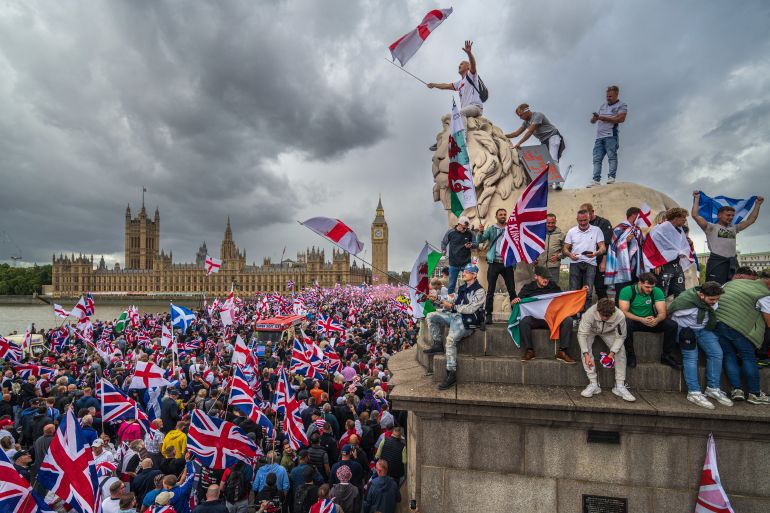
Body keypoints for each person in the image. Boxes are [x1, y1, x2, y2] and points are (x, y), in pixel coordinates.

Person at [669, 282, 732, 409]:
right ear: (702, 295)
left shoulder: (711, 301)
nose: (715, 302)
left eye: (717, 299)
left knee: (717, 353)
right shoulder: (685, 303)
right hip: (686, 330)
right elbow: (670, 314)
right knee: (691, 357)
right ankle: (694, 392)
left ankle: (713, 388)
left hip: (703, 330)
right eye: (712, 299)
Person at [425, 263, 486, 390]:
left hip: (466, 321)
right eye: (464, 271)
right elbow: (451, 297)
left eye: (467, 272)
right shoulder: (462, 288)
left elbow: (471, 308)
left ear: (474, 275)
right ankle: (437, 344)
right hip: (455, 316)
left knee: (450, 340)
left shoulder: (480, 291)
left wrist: (452, 307)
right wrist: (437, 298)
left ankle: (451, 373)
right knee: (431, 316)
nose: (463, 273)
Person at [714, 270, 770, 404]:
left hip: (719, 323)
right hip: (739, 328)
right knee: (748, 357)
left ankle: (736, 390)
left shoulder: (730, 284)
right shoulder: (764, 294)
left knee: (729, 356)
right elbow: (769, 322)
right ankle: (755, 394)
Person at [691, 191, 764, 284]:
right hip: (717, 262)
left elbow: (751, 220)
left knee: (735, 286)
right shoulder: (711, 227)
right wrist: (697, 198)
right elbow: (695, 215)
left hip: (733, 262)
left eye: (732, 215)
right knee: (714, 288)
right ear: (719, 215)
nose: (731, 217)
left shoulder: (734, 228)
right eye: (728, 215)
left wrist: (757, 204)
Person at [427, 39, 483, 150]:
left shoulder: (471, 76)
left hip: (475, 107)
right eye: (459, 64)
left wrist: (468, 53)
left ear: (468, 67)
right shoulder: (459, 83)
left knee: (459, 113)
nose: (459, 65)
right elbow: (446, 85)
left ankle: (463, 140)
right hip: (467, 109)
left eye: (462, 64)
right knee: (452, 117)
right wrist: (434, 84)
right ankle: (443, 140)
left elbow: (473, 64)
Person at [618, 273, 680, 369]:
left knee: (672, 325)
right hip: (635, 320)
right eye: (647, 287)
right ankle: (630, 355)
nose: (650, 290)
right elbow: (623, 312)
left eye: (652, 287)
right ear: (640, 283)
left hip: (651, 320)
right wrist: (641, 319)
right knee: (625, 322)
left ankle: (666, 356)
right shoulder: (627, 291)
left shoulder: (656, 291)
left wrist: (657, 320)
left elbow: (662, 313)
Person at [515, 266, 576, 364]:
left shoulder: (553, 286)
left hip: (551, 319)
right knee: (524, 322)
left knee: (568, 320)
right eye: (543, 277)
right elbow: (517, 303)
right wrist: (515, 302)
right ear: (536, 277)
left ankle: (562, 351)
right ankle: (529, 350)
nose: (546, 280)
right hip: (535, 319)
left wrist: (580, 292)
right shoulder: (528, 288)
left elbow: (563, 299)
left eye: (547, 278)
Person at [578, 298, 635, 401]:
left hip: (610, 332)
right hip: (592, 330)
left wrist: (612, 353)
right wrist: (586, 354)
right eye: (602, 315)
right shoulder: (590, 313)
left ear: (613, 312)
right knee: (584, 350)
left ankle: (619, 385)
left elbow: (621, 336)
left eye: (607, 316)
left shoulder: (620, 316)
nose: (604, 318)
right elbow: (582, 334)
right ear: (598, 311)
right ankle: (593, 384)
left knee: (620, 351)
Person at [507, 104, 565, 189]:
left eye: (521, 115)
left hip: (553, 136)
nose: (520, 117)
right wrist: (502, 135)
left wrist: (519, 143)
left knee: (553, 159)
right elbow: (516, 134)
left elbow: (530, 131)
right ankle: (549, 184)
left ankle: (557, 183)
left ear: (526, 111)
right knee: (545, 162)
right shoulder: (525, 123)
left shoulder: (538, 115)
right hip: (544, 141)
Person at [476, 208, 517, 324]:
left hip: (507, 263)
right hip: (494, 262)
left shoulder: (511, 229)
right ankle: (488, 315)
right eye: (501, 214)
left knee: (512, 290)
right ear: (496, 216)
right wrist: (480, 232)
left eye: (505, 214)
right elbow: (480, 240)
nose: (503, 216)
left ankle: (515, 314)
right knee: (490, 290)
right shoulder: (491, 229)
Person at [563, 209, 606, 314]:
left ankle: (586, 315)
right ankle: (574, 314)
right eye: (580, 220)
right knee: (573, 291)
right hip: (575, 263)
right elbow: (565, 249)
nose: (582, 223)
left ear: (589, 218)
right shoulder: (571, 231)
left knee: (588, 292)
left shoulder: (597, 230)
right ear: (577, 219)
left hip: (591, 262)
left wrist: (595, 253)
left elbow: (603, 248)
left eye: (585, 220)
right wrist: (570, 255)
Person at [588, 85, 628, 187]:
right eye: (607, 96)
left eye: (610, 96)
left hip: (611, 135)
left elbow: (621, 119)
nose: (608, 98)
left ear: (616, 95)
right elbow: (593, 121)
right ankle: (596, 179)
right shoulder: (602, 106)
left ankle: (611, 177)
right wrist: (594, 118)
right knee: (597, 159)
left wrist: (602, 118)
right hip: (599, 136)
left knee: (612, 156)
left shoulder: (622, 105)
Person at [649, 208, 691, 298]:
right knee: (661, 293)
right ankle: (659, 312)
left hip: (676, 266)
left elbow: (681, 246)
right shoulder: (660, 229)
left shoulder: (680, 230)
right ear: (676, 218)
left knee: (680, 293)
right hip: (664, 266)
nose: (684, 220)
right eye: (683, 217)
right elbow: (652, 245)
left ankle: (678, 312)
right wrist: (656, 263)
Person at [605, 207, 644, 300]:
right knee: (622, 292)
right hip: (621, 266)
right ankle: (620, 312)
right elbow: (613, 246)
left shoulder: (637, 230)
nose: (641, 218)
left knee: (634, 292)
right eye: (639, 216)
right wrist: (625, 241)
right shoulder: (619, 228)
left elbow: (641, 245)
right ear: (633, 215)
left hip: (635, 266)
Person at [580, 203, 613, 301]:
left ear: (592, 212)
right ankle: (583, 312)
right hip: (586, 261)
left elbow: (607, 244)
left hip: (599, 260)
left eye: (587, 214)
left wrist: (604, 262)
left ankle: (605, 311)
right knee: (584, 288)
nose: (585, 217)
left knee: (600, 288)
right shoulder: (583, 223)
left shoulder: (604, 223)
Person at [440, 216, 477, 294]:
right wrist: (443, 249)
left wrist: (471, 245)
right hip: (453, 263)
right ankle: (449, 302)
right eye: (464, 228)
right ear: (459, 224)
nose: (465, 229)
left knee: (470, 282)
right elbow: (444, 242)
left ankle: (469, 299)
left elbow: (475, 244)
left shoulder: (470, 233)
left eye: (466, 228)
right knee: (451, 285)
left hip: (466, 263)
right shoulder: (450, 232)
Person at [535, 213, 564, 284]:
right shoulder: (538, 233)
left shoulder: (561, 234)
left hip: (553, 266)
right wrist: (534, 258)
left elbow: (567, 249)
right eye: (548, 223)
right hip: (540, 266)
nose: (550, 225)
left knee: (553, 288)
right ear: (545, 222)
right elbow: (533, 247)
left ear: (556, 222)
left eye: (552, 223)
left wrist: (559, 256)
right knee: (539, 289)